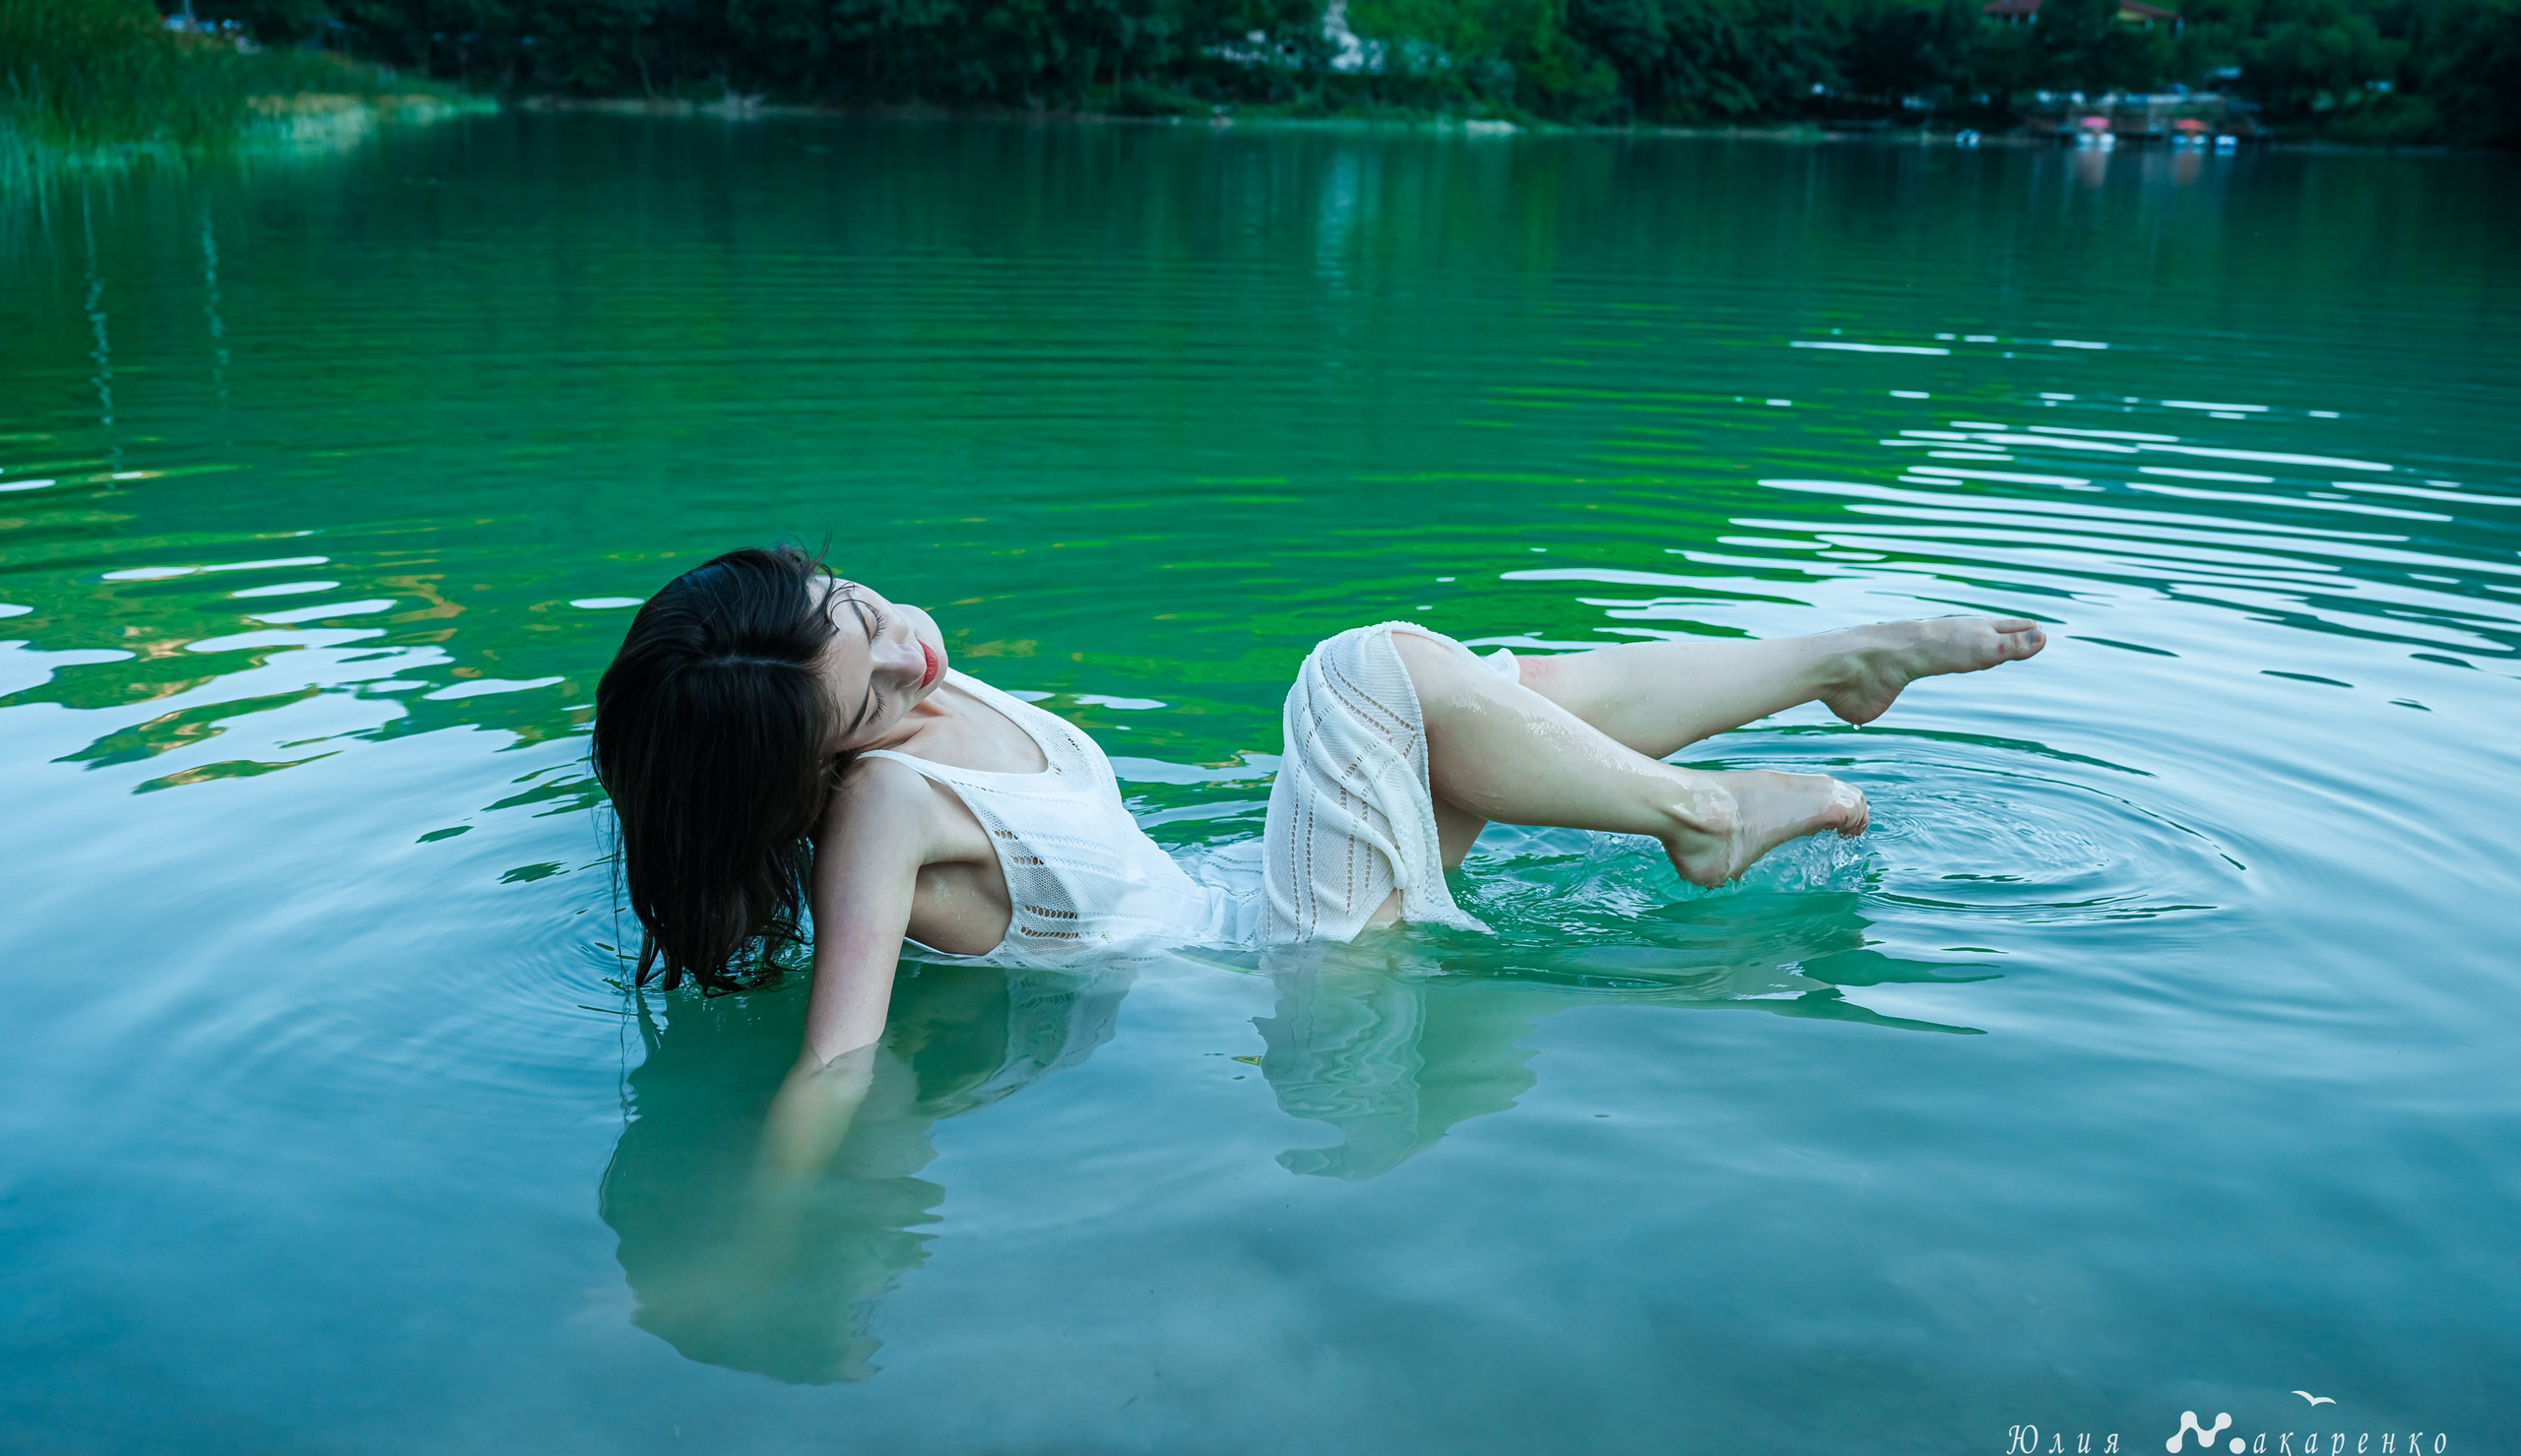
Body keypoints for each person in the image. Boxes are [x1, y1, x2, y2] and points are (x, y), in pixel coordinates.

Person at [591, 544, 2044, 1084]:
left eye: (858, 608)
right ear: (821, 770)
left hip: (1244, 888)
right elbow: (836, 1063)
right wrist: (752, 1243)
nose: (912, 651)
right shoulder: (883, 808)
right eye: (873, 692)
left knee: (1488, 693)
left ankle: (1838, 665)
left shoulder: (915, 694)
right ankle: (1699, 820)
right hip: (1290, 974)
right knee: (1369, 671)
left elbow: (1084, 863)